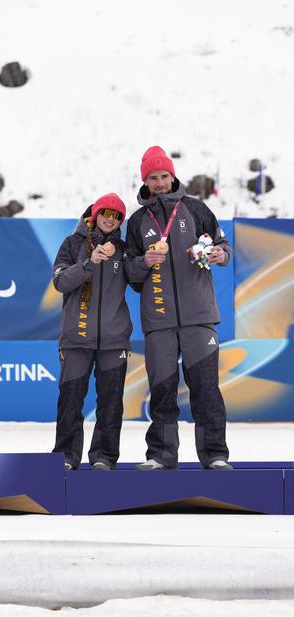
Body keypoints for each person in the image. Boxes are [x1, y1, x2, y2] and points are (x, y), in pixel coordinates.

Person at [124, 146, 232, 471]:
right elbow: (129, 272)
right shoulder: (137, 222)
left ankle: (214, 456)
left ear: (172, 176)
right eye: (153, 177)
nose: (159, 182)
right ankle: (161, 455)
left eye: (164, 176)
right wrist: (145, 261)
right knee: (162, 391)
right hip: (159, 322)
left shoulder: (197, 209)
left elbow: (223, 246)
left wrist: (219, 255)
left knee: (206, 390)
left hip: (199, 318)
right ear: (145, 181)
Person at [51, 194, 132, 471]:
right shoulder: (73, 243)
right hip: (76, 338)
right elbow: (60, 282)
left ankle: (104, 457)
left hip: (114, 339)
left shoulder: (124, 248)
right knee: (70, 402)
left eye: (117, 215)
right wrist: (89, 263)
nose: (110, 219)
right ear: (95, 215)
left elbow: (139, 278)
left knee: (111, 404)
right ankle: (66, 457)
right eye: (105, 213)